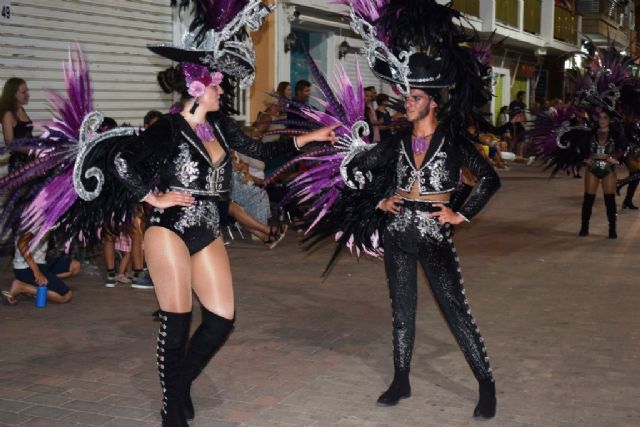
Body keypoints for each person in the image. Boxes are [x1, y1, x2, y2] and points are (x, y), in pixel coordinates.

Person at [333, 0, 500, 419]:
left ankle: (486, 385)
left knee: (454, 309)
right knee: (401, 310)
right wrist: (377, 199)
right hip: (397, 233)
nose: (406, 103)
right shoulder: (395, 142)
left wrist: (461, 214)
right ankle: (401, 378)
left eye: (415, 97)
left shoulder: (454, 140)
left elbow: (490, 179)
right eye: (405, 96)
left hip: (434, 231)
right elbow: (353, 167)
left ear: (433, 102)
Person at [578, 110, 625, 238]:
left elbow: (623, 149)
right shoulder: (590, 133)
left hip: (608, 169)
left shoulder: (616, 134)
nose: (602, 120)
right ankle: (584, 227)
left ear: (610, 120)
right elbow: (581, 149)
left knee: (609, 200)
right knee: (588, 199)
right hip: (592, 168)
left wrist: (616, 159)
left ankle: (612, 229)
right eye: (600, 117)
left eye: (605, 118)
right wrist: (584, 159)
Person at [2, 233, 80, 305]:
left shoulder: (49, 219)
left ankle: (42, 281)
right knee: (66, 296)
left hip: (41, 261)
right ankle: (22, 287)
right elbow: (22, 244)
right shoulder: (36, 220)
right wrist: (37, 272)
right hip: (26, 267)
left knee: (75, 266)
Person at [0, 78, 33, 172]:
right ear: (13, 94)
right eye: (23, 92)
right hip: (19, 165)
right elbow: (10, 144)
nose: (27, 94)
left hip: (31, 160)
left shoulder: (21, 110)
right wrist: (31, 150)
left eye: (27, 91)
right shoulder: (8, 115)